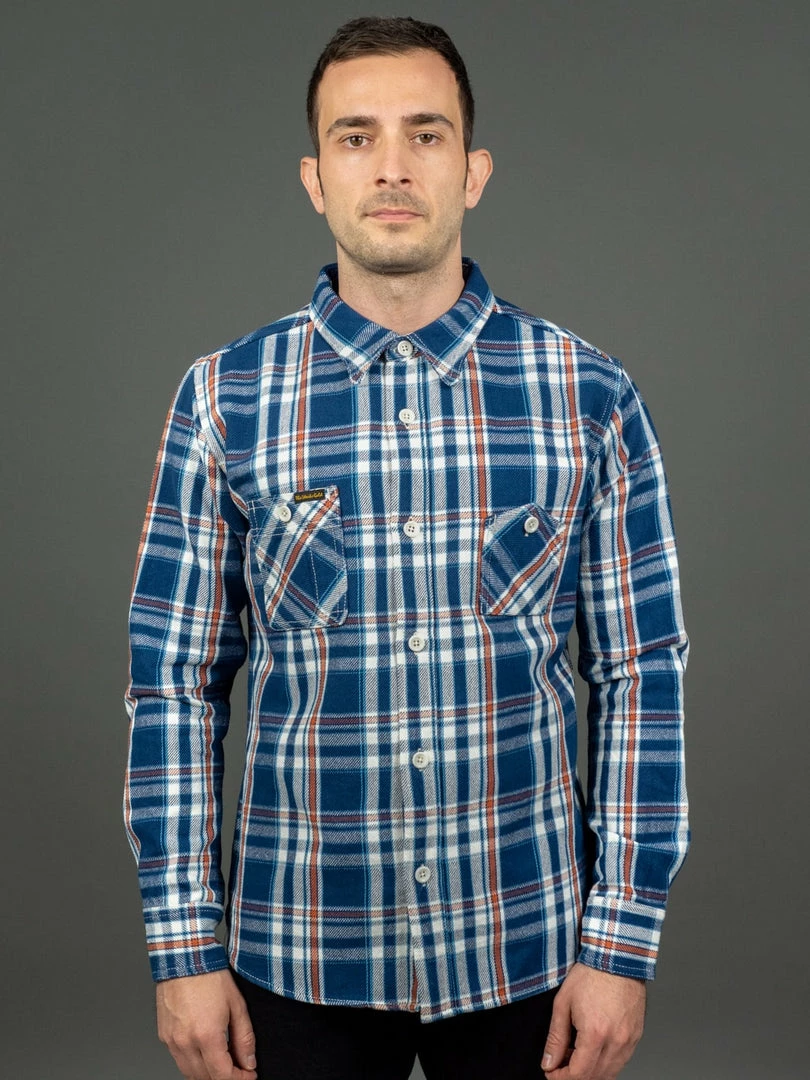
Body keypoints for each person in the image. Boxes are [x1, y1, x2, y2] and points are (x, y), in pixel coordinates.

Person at [124, 15, 689, 1080]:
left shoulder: (591, 396)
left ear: (473, 171)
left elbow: (641, 674)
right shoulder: (223, 400)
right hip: (296, 956)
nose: (392, 166)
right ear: (314, 178)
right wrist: (182, 945)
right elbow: (174, 687)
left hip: (530, 949)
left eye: (426, 135)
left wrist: (622, 943)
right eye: (357, 137)